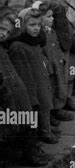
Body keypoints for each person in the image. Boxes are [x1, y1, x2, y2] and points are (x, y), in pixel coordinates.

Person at [0, 6, 50, 166]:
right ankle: (26, 155)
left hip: (20, 90)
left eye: (7, 32)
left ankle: (29, 152)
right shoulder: (16, 47)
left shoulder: (11, 46)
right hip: (15, 91)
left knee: (28, 123)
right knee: (20, 124)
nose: (3, 34)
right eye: (2, 29)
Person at [9, 8, 57, 144]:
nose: (36, 28)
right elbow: (23, 72)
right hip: (32, 84)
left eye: (38, 25)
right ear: (23, 25)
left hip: (41, 79)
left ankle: (46, 129)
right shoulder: (18, 46)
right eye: (32, 25)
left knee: (45, 104)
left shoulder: (34, 41)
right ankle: (41, 134)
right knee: (37, 107)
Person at [37, 1, 74, 126]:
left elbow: (57, 45)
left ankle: (58, 109)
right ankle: (51, 113)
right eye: (48, 16)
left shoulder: (51, 31)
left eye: (52, 16)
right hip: (49, 67)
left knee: (59, 86)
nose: (52, 19)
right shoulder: (40, 33)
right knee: (50, 89)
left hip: (57, 64)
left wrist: (62, 57)